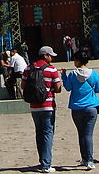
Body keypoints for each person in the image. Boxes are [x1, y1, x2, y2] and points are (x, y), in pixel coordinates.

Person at [23, 45, 62, 173]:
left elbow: (23, 85)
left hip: (34, 106)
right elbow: (57, 88)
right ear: (45, 55)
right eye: (50, 55)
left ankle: (42, 160)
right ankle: (46, 164)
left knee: (39, 133)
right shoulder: (51, 69)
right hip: (48, 106)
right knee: (47, 133)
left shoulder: (29, 68)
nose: (52, 58)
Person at [62, 52, 99, 170]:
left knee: (81, 133)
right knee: (88, 134)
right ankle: (90, 160)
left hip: (77, 108)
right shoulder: (94, 74)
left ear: (78, 61)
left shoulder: (72, 74)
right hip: (91, 108)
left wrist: (64, 76)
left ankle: (84, 158)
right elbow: (98, 89)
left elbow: (68, 88)